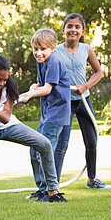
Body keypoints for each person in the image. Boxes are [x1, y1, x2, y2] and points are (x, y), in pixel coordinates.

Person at [0, 53, 63, 202]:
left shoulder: (9, 87)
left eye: (4, 79)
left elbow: (6, 117)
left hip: (10, 125)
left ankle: (53, 192)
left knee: (44, 144)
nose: (1, 83)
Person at [55, 13, 111, 190]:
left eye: (77, 27)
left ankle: (92, 179)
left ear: (82, 31)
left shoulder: (86, 49)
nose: (73, 29)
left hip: (83, 101)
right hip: (65, 102)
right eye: (70, 26)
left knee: (91, 141)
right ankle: (53, 184)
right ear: (63, 29)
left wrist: (85, 86)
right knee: (61, 144)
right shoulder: (55, 51)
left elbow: (98, 72)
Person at [18, 28, 71, 202]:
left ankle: (52, 192)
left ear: (53, 48)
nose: (38, 53)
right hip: (47, 113)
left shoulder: (54, 61)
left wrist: (30, 95)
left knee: (44, 150)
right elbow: (43, 83)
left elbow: (48, 89)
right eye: (35, 49)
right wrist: (34, 86)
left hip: (56, 114)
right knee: (34, 149)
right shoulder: (43, 61)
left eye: (43, 49)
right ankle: (42, 189)